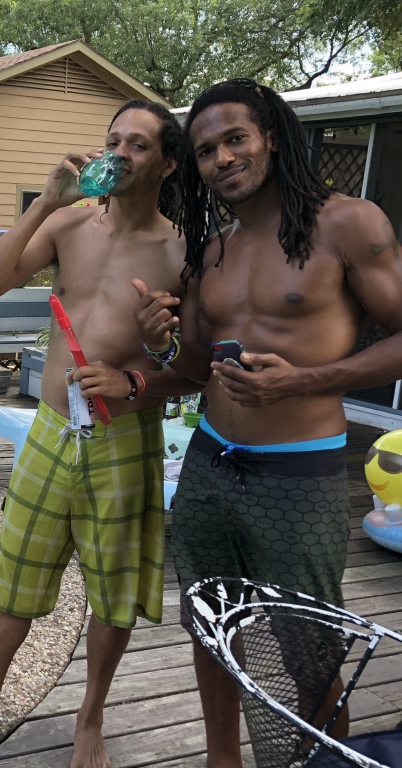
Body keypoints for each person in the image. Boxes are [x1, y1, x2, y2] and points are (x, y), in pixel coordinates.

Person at [0, 100, 200, 768]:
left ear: (168, 163)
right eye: (113, 140)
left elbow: (193, 365)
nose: (119, 153)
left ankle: (90, 719)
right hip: (51, 429)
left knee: (113, 593)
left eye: (139, 145)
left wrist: (140, 373)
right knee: (15, 577)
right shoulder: (68, 224)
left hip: (125, 437)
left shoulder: (182, 252)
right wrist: (42, 204)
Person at [134, 78, 402, 768]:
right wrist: (160, 342)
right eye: (205, 150)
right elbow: (196, 365)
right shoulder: (212, 252)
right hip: (209, 465)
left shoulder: (348, 224)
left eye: (235, 139)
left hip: (299, 474)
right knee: (211, 629)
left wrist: (303, 379)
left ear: (272, 138)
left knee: (309, 650)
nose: (222, 158)